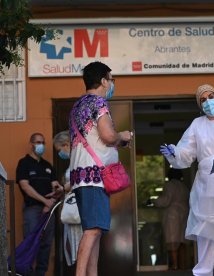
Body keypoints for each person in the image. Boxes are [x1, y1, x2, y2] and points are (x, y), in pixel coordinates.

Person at [160, 84, 214, 276]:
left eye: (210, 96)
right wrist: (175, 152)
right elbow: (186, 152)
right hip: (206, 186)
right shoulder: (197, 124)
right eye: (202, 100)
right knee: (206, 234)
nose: (207, 102)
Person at [68, 61, 132, 276]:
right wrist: (122, 136)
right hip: (94, 176)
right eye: (111, 79)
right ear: (103, 81)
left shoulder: (77, 105)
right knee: (93, 230)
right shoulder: (98, 103)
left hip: (81, 176)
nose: (112, 83)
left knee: (93, 230)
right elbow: (107, 136)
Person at [16, 132, 64, 276]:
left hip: (49, 210)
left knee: (46, 244)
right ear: (31, 144)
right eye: (38, 142)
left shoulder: (47, 165)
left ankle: (40, 273)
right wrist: (45, 202)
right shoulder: (23, 163)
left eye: (43, 142)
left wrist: (59, 190)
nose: (41, 145)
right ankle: (27, 273)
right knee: (31, 242)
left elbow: (55, 185)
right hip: (32, 209)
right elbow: (25, 186)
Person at [53, 130, 83, 267]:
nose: (60, 153)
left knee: (81, 249)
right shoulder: (74, 159)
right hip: (73, 209)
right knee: (77, 248)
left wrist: (64, 188)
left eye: (59, 150)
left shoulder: (79, 158)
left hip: (77, 209)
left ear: (66, 145)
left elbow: (79, 179)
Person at [152, 168, 190, 270]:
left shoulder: (169, 185)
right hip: (185, 213)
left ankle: (175, 265)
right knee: (182, 241)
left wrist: (153, 201)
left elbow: (165, 200)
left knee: (172, 241)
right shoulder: (184, 187)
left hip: (172, 215)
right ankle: (183, 265)